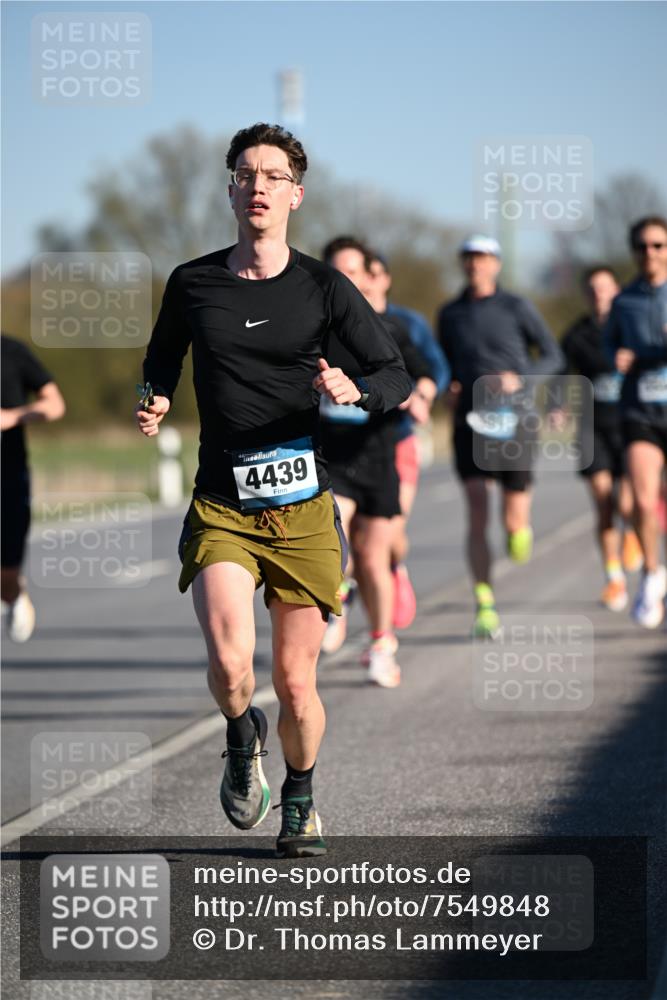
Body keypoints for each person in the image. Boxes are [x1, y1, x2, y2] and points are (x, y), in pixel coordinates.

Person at [136, 124, 411, 857]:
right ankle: (237, 736)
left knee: (294, 682)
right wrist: (155, 395)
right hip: (222, 503)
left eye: (273, 175)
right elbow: (161, 358)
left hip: (301, 508)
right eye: (245, 172)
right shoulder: (192, 282)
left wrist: (354, 386)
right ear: (230, 187)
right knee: (231, 666)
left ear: (296, 193)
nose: (258, 185)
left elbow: (395, 376)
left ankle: (300, 796)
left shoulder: (323, 286)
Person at [319, 237, 435, 687]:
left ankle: (382, 642)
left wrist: (421, 395)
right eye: (336, 270)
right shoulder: (317, 326)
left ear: (370, 277)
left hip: (379, 454)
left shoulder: (390, 328)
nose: (345, 279)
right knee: (334, 540)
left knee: (373, 555)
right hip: (334, 456)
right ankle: (337, 606)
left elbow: (421, 373)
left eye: (353, 270)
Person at [437, 235, 563, 638]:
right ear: (463, 264)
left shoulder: (516, 306)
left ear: (497, 264)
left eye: (484, 258)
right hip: (469, 422)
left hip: (514, 421)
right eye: (470, 258)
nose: (476, 265)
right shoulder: (450, 313)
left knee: (512, 518)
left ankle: (518, 529)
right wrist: (448, 388)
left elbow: (553, 355)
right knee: (477, 511)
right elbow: (442, 365)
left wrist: (521, 380)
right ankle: (484, 602)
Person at [365, 252, 449, 630]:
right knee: (351, 542)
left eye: (373, 273)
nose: (365, 281)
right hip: (344, 448)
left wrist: (424, 396)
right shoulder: (329, 318)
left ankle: (395, 568)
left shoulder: (406, 323)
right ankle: (347, 593)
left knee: (390, 537)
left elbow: (433, 367)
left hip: (396, 439)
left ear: (386, 279)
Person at [555, 266, 641, 611]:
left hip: (632, 423)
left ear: (616, 290)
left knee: (628, 503)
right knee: (604, 503)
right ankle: (614, 578)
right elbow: (563, 375)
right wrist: (558, 405)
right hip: (593, 427)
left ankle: (632, 531)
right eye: (592, 289)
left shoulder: (633, 326)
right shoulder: (576, 335)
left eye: (605, 288)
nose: (599, 294)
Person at [605, 215, 667, 629]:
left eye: (659, 245)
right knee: (643, 501)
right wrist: (617, 357)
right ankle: (650, 573)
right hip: (640, 410)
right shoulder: (623, 300)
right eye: (643, 246)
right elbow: (609, 344)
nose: (651, 253)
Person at [1, 334, 65, 643]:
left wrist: (12, 417)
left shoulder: (12, 352)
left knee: (6, 573)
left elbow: (55, 404)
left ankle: (13, 594)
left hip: (8, 475)